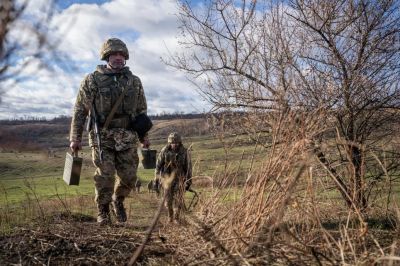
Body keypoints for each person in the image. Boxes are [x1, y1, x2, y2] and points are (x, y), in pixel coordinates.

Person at [69, 38, 150, 225]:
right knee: (105, 176)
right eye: (114, 54)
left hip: (128, 136)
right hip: (102, 136)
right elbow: (80, 110)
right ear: (107, 56)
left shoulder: (134, 81)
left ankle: (118, 200)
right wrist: (75, 138)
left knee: (130, 177)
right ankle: (103, 211)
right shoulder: (92, 80)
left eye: (122, 54)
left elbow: (141, 111)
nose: (119, 57)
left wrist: (144, 137)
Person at [155, 132, 192, 222]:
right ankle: (170, 217)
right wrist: (156, 180)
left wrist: (189, 181)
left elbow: (188, 167)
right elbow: (158, 166)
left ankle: (176, 218)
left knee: (178, 199)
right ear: (169, 143)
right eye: (172, 143)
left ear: (179, 143)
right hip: (166, 179)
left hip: (179, 179)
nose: (174, 145)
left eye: (176, 143)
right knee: (168, 200)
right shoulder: (164, 151)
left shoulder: (184, 152)